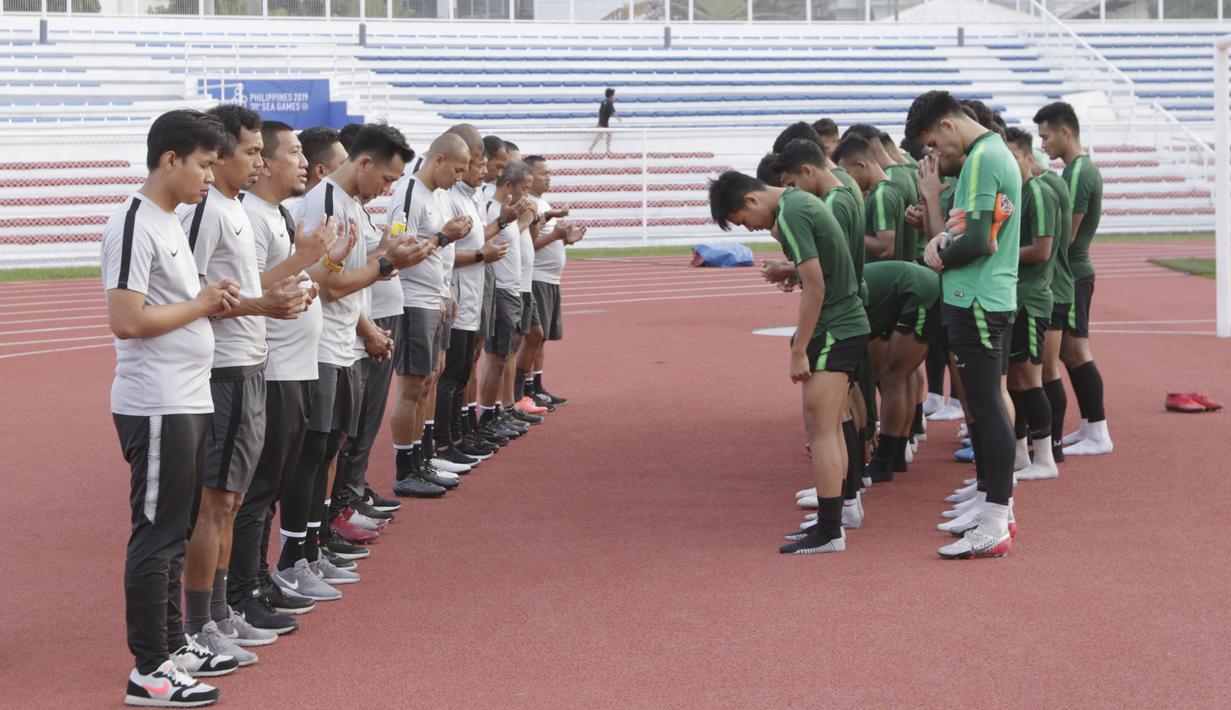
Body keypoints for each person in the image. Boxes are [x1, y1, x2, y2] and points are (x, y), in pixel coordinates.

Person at [106, 109, 238, 708]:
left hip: (186, 398)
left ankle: (172, 645)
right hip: (157, 402)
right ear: (171, 160)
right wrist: (203, 304)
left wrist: (214, 304)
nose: (210, 177)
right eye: (205, 164)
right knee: (157, 535)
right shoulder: (134, 223)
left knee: (176, 530)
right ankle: (147, 669)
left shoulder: (168, 223)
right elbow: (128, 320)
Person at [178, 104, 314, 666]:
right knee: (216, 503)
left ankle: (220, 609)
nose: (260, 161)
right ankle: (200, 621)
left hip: (251, 365)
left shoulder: (230, 207)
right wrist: (265, 302)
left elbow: (245, 286)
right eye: (252, 151)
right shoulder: (209, 211)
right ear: (221, 151)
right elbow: (188, 299)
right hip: (225, 372)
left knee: (231, 501)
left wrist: (289, 279)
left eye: (263, 151)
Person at [275, 123, 423, 595]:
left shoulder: (349, 205)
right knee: (312, 456)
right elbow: (329, 282)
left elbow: (346, 276)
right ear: (363, 163)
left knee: (329, 449)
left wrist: (384, 258)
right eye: (387, 178)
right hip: (317, 348)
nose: (390, 189)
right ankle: (294, 558)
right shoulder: (322, 203)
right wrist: (385, 264)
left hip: (342, 344)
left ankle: (312, 549)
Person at [227, 120, 350, 628]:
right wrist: (304, 259)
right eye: (291, 152)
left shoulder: (275, 214)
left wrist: (321, 267)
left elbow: (286, 279)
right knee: (257, 489)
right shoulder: (249, 215)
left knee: (271, 485)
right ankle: (243, 589)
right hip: (271, 367)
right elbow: (246, 288)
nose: (302, 161)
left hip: (295, 367)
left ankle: (258, 580)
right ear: (264, 166)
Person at [709, 171, 870, 555]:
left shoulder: (792, 211)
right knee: (831, 426)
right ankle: (838, 516)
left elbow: (816, 285)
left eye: (743, 220)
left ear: (751, 200)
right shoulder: (800, 203)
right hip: (844, 323)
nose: (751, 226)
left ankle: (831, 531)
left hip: (835, 326)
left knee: (821, 431)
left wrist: (799, 347)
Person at [907, 90, 1021, 559]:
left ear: (949, 126)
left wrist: (938, 256)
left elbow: (977, 240)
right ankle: (991, 506)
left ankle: (995, 518)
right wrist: (943, 242)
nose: (935, 155)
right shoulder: (989, 153)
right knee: (984, 403)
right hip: (981, 294)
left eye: (934, 143)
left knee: (987, 405)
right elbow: (973, 232)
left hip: (976, 296)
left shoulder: (982, 158)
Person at [387, 133, 475, 496]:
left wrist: (446, 291)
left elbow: (440, 254)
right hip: (412, 299)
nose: (459, 177)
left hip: (434, 298)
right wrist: (443, 236)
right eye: (456, 170)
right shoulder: (409, 192)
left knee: (429, 379)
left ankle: (422, 458)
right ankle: (405, 468)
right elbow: (398, 251)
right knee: (412, 385)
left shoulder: (438, 195)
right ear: (438, 159)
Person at [1034, 101, 1113, 456]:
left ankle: (1098, 430)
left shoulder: (1079, 172)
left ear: (1065, 132)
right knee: (1069, 352)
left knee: (1076, 352)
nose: (1043, 144)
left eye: (1046, 136)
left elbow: (1067, 232)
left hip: (1074, 272)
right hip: (1074, 271)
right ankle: (1090, 426)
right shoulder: (1075, 170)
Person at [1003, 126, 1062, 481]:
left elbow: (1043, 250)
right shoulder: (1018, 192)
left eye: (1014, 158)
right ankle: (1021, 456)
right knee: (1015, 382)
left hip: (1032, 299)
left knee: (1029, 378)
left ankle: (1045, 458)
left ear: (1028, 158)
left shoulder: (1037, 193)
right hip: (1017, 297)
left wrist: (999, 253)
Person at [860, 260, 942, 483]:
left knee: (893, 375)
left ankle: (886, 460)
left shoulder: (835, 308)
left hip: (918, 292)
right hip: (911, 291)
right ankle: (895, 455)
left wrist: (866, 433)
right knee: (901, 373)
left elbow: (863, 381)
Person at [479, 160, 537, 433]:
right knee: (497, 357)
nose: (527, 195)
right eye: (524, 189)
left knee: (505, 355)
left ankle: (501, 409)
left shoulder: (510, 215)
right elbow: (481, 243)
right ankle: (489, 417)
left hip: (512, 290)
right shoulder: (493, 210)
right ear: (509, 186)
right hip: (500, 291)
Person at [524, 155, 582, 409]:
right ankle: (526, 388)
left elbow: (549, 238)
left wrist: (566, 238)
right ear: (529, 176)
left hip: (550, 279)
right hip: (536, 279)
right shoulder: (529, 205)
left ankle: (536, 385)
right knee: (533, 337)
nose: (549, 177)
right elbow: (528, 245)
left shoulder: (543, 203)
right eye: (543, 173)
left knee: (541, 337)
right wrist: (556, 235)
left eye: (549, 172)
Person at [831, 135, 907, 263]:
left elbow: (886, 249)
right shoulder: (881, 190)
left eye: (847, 173)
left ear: (861, 165)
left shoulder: (881, 194)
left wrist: (849, 232)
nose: (846, 181)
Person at [588, 87, 618, 153]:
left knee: (606, 135)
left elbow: (600, 112)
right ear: (611, 95)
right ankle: (593, 148)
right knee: (602, 135)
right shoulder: (610, 102)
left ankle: (606, 149)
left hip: (602, 122)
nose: (614, 96)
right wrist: (618, 118)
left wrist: (599, 122)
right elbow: (612, 113)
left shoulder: (603, 102)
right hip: (604, 123)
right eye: (613, 94)